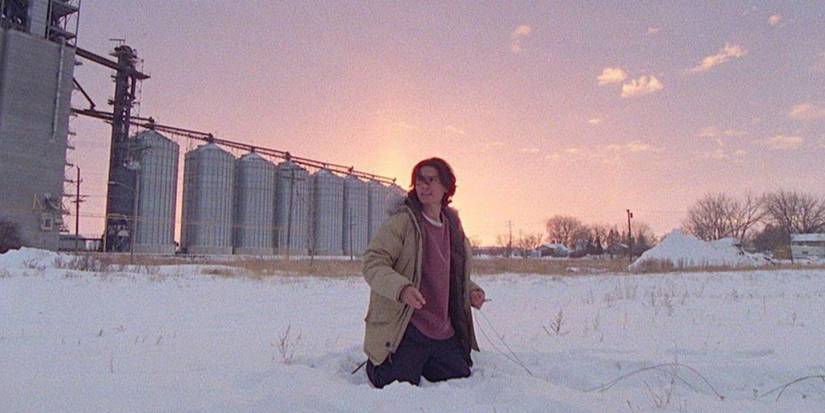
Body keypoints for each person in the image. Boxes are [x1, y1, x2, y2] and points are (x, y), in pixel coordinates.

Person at [362, 157, 486, 388]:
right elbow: (372, 262)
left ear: (446, 187)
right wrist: (402, 289)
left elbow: (448, 272)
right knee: (393, 383)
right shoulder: (402, 222)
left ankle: (427, 357)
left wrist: (471, 291)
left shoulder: (453, 228)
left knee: (460, 375)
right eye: (419, 181)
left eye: (431, 180)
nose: (424, 186)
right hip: (408, 325)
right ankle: (380, 360)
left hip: (442, 328)